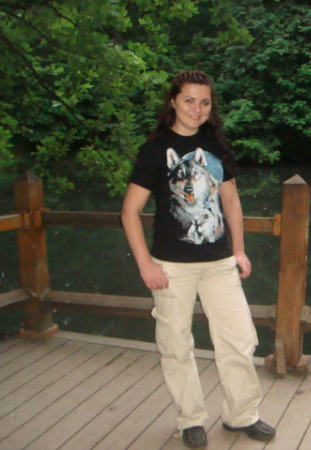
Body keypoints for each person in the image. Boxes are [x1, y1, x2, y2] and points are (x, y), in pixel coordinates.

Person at [121, 70, 276, 449]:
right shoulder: (155, 150)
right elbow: (129, 211)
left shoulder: (216, 146)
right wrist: (145, 265)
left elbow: (231, 201)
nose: (197, 108)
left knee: (239, 340)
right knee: (176, 345)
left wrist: (238, 250)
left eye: (204, 102)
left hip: (218, 264)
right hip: (171, 267)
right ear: (173, 101)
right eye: (189, 100)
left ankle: (241, 415)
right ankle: (190, 419)